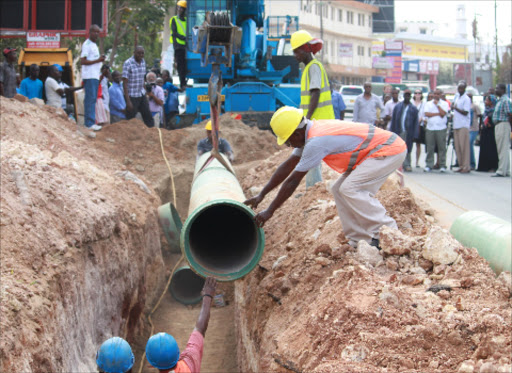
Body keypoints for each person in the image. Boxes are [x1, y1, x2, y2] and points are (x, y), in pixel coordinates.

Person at [245, 106, 406, 248]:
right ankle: (358, 240)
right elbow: (287, 165)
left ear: (297, 133)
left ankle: (389, 233)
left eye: (288, 141)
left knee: (350, 188)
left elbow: (293, 180)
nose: (289, 146)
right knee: (338, 189)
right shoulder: (309, 133)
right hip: (374, 153)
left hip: (388, 150)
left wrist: (270, 211)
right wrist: (262, 194)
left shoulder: (316, 141)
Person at [291, 29, 335, 187]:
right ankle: (311, 188)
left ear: (305, 49)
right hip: (314, 121)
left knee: (311, 155)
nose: (295, 55)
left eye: (297, 51)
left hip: (318, 121)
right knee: (306, 155)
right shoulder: (309, 69)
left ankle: (314, 188)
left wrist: (307, 119)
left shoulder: (314, 67)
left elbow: (315, 93)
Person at [145, 277, 217, 373]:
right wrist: (207, 296)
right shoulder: (190, 361)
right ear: (178, 353)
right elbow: (200, 328)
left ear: (151, 364)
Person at [122, 46, 154, 128]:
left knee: (148, 116)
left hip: (141, 94)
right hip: (132, 96)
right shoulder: (128, 63)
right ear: (134, 53)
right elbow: (124, 83)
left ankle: (152, 133)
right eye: (138, 53)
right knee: (130, 118)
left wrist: (145, 93)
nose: (140, 55)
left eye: (142, 53)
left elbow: (142, 78)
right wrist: (128, 101)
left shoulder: (143, 62)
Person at [81, 24, 105, 130]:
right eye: (94, 32)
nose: (96, 34)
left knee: (93, 99)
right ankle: (89, 124)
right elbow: (83, 61)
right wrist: (98, 60)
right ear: (89, 32)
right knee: (90, 99)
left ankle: (92, 122)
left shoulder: (94, 45)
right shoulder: (87, 44)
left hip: (95, 75)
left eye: (98, 32)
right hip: (89, 76)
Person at [390, 89, 419, 172]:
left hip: (408, 132)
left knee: (408, 149)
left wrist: (415, 134)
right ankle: (397, 165)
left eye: (408, 95)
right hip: (399, 130)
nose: (407, 96)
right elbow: (393, 120)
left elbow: (416, 122)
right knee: (398, 148)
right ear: (403, 96)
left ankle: (407, 164)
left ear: (410, 97)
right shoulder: (398, 107)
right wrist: (392, 132)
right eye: (406, 95)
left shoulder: (413, 108)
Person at [423, 89, 449, 172]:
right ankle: (429, 165)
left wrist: (438, 105)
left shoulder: (444, 103)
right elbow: (427, 114)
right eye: (435, 94)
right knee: (430, 147)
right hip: (430, 128)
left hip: (441, 128)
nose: (436, 95)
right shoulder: (428, 103)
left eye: (438, 94)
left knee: (441, 147)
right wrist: (437, 113)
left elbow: (443, 114)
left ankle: (442, 165)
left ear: (441, 95)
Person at [492, 83, 512, 177]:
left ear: (503, 90)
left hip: (503, 124)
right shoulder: (500, 100)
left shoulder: (505, 100)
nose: (496, 90)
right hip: (498, 125)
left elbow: (510, 114)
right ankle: (506, 170)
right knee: (501, 148)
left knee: (503, 148)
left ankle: (501, 171)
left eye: (497, 88)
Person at [452, 81, 472, 173]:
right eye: (459, 88)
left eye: (461, 88)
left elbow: (466, 112)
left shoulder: (466, 99)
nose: (460, 90)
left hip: (463, 125)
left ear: (464, 89)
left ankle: (466, 166)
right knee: (458, 147)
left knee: (464, 147)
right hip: (456, 124)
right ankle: (460, 165)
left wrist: (455, 108)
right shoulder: (457, 98)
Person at [477, 95, 499, 172]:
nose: (485, 102)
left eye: (487, 100)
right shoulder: (486, 110)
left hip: (491, 132)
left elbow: (495, 121)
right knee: (484, 149)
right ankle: (483, 167)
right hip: (485, 131)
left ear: (491, 102)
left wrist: (491, 124)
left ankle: (492, 167)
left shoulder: (494, 110)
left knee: (491, 150)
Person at [170, 0, 188, 88]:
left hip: (187, 46)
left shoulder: (187, 20)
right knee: (181, 65)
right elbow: (175, 33)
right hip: (179, 46)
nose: (180, 10)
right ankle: (182, 83)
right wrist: (185, 38)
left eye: (182, 8)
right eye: (179, 8)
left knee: (186, 65)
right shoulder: (174, 19)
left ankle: (184, 81)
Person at [467, 92, 482, 170]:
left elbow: (480, 116)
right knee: (466, 145)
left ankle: (472, 163)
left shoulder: (475, 106)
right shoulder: (465, 105)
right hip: (467, 127)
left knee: (470, 144)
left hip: (474, 128)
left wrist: (480, 127)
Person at [412, 90, 426, 168]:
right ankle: (408, 161)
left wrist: (421, 119)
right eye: (416, 93)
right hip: (411, 125)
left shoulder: (424, 104)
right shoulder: (411, 103)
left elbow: (425, 114)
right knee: (409, 144)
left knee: (418, 144)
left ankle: (417, 162)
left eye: (419, 93)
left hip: (419, 125)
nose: (417, 95)